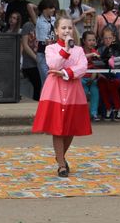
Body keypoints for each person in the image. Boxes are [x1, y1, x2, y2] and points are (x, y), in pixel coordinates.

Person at [31, 16, 90, 178]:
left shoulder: (78, 50)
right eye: (63, 28)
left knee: (70, 127)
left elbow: (82, 67)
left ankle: (60, 156)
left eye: (69, 28)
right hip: (55, 91)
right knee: (58, 127)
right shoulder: (51, 49)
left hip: (73, 92)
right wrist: (65, 50)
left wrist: (66, 72)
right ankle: (61, 164)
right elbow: (53, 64)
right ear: (56, 30)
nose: (67, 31)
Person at [97, 26, 120, 120]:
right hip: (106, 75)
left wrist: (113, 46)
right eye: (105, 38)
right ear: (103, 39)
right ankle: (109, 108)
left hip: (116, 76)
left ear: (114, 38)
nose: (108, 40)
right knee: (101, 83)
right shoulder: (102, 49)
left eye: (110, 38)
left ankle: (118, 108)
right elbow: (102, 61)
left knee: (111, 85)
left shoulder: (118, 47)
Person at [35, 0, 59, 90]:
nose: (53, 9)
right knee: (46, 80)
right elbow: (44, 40)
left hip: (53, 54)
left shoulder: (54, 19)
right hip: (43, 54)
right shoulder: (40, 21)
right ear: (45, 9)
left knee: (52, 80)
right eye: (51, 7)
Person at [80, 31, 101, 121]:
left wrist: (93, 77)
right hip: (81, 78)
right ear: (84, 41)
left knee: (95, 92)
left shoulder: (96, 52)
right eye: (89, 40)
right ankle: (82, 114)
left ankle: (94, 114)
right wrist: (91, 55)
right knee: (82, 92)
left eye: (93, 40)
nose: (92, 42)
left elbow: (97, 67)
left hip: (92, 78)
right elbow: (79, 59)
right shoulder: (79, 50)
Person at [20, 14, 41, 101]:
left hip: (40, 61)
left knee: (39, 86)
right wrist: (36, 58)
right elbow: (25, 45)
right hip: (30, 63)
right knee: (37, 85)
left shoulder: (43, 25)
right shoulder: (28, 25)